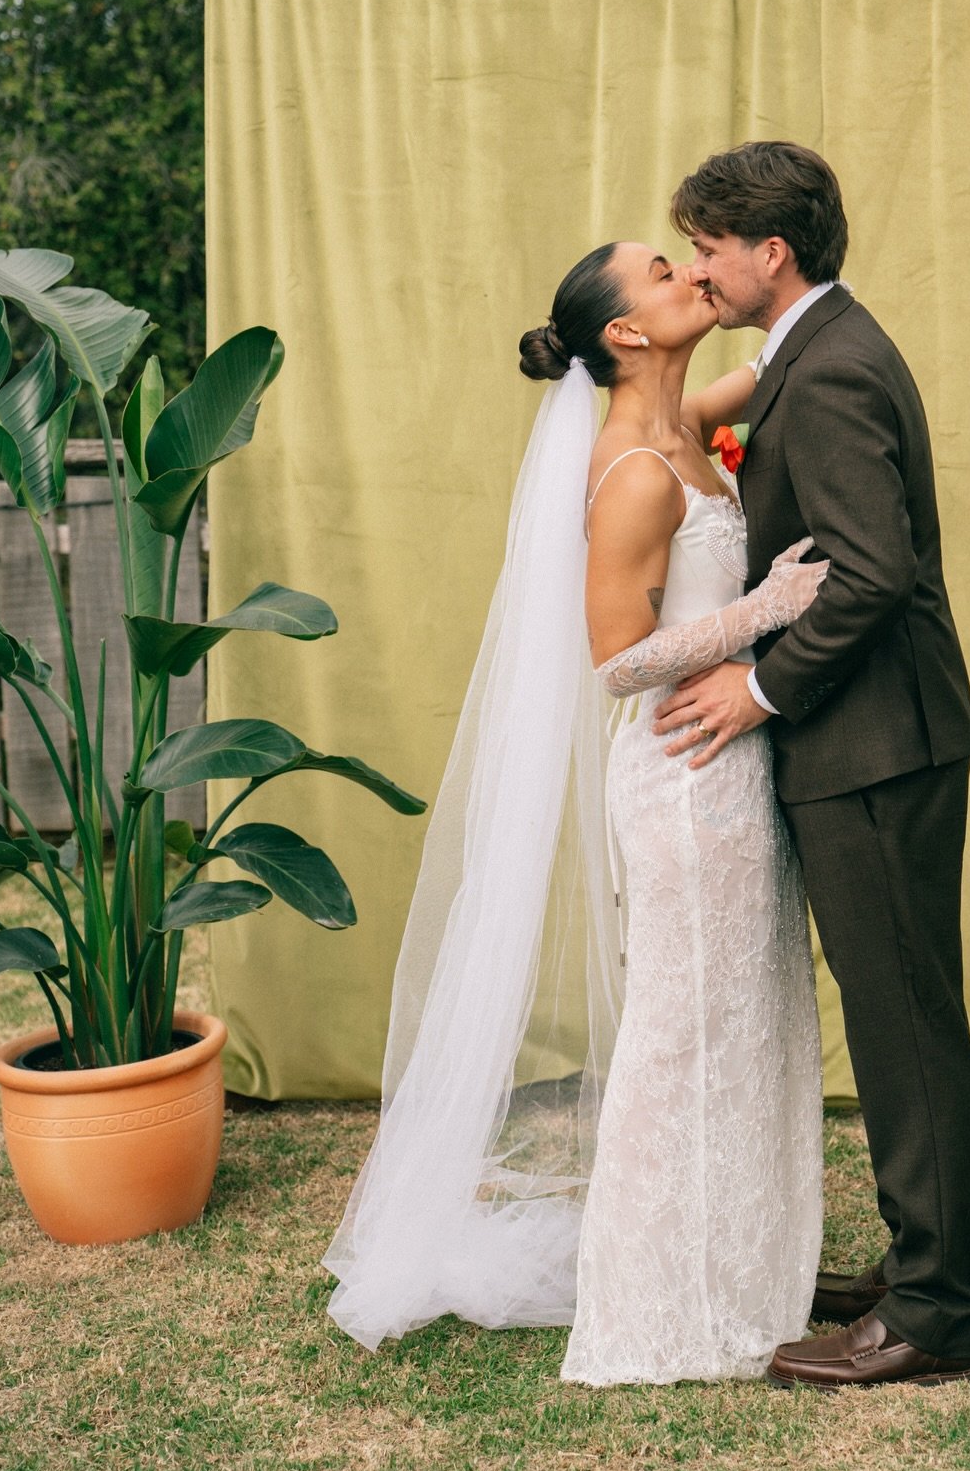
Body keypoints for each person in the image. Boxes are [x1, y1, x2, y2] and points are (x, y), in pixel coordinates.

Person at [324, 236, 827, 1386]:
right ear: (625, 333)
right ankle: (651, 1309)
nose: (689, 273)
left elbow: (778, 361)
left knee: (744, 1023)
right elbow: (617, 662)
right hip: (684, 779)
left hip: (737, 767)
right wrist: (771, 607)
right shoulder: (637, 472)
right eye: (664, 271)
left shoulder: (686, 423)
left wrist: (789, 305)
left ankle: (739, 1270)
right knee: (680, 1038)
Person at [658, 140, 970, 1390]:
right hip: (868, 743)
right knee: (892, 1009)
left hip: (877, 747)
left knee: (905, 1019)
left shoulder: (835, 367)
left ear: (771, 251)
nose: (699, 268)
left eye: (707, 248)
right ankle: (916, 1266)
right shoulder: (809, 351)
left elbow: (871, 573)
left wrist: (756, 688)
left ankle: (936, 1312)